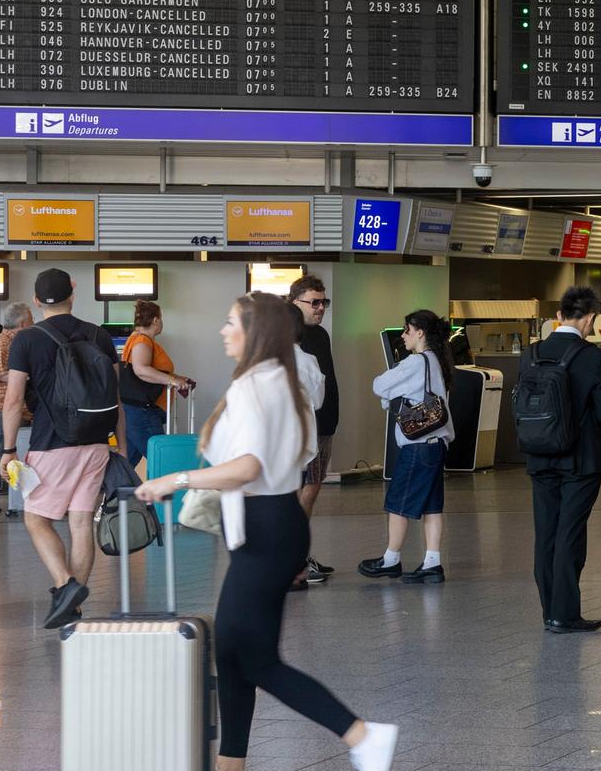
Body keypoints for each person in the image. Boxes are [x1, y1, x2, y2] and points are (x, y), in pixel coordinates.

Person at [132, 293, 398, 771]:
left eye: (231, 322)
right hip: (270, 526)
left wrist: (175, 480)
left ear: (255, 331)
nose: (222, 330)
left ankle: (361, 734)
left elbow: (247, 465)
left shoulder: (259, 385)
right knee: (233, 654)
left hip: (267, 529)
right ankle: (230, 762)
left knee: (251, 658)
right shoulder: (281, 380)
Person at [1, 270, 119, 628]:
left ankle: (66, 586)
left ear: (36, 301)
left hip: (52, 443)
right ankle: (73, 606)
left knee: (36, 518)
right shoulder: (100, 335)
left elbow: (13, 400)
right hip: (98, 443)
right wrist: (122, 448)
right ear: (73, 291)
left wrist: (8, 450)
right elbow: (115, 397)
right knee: (81, 523)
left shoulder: (26, 340)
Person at [525, 287, 601, 633]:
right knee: (570, 534)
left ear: (560, 316)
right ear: (591, 318)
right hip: (580, 460)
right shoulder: (592, 357)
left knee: (546, 533)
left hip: (539, 457)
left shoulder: (532, 352)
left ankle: (549, 609)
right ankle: (565, 614)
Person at [359, 310, 454, 585]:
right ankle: (432, 562)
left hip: (418, 445)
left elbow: (379, 385)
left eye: (407, 331)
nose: (403, 336)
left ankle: (391, 559)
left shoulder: (415, 362)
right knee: (432, 506)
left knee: (398, 503)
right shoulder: (438, 360)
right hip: (437, 444)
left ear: (420, 332)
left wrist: (393, 394)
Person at [290, 275, 339, 584]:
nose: (321, 307)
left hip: (324, 423)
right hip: (301, 429)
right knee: (300, 490)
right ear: (296, 303)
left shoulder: (320, 335)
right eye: (314, 302)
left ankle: (298, 553)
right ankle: (293, 557)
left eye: (324, 302)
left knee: (313, 486)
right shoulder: (288, 342)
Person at [118, 299, 192, 473]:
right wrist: (172, 381)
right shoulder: (142, 341)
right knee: (162, 459)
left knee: (127, 463)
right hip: (143, 412)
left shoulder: (137, 339)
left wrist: (178, 378)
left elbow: (153, 371)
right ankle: (171, 497)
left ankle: (110, 497)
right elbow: (141, 369)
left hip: (134, 411)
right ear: (156, 320)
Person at [0, 301, 33, 529]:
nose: (34, 323)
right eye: (31, 319)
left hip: (2, 407)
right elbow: (1, 373)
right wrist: (28, 374)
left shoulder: (11, 341)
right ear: (22, 323)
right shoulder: (4, 343)